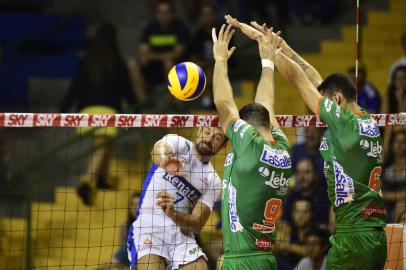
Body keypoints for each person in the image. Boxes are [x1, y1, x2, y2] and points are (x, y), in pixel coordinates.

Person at [252, 23, 387, 270]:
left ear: (336, 100)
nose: (319, 112)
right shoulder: (366, 119)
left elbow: (297, 79)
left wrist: (269, 53)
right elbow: (316, 80)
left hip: (353, 238)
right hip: (376, 237)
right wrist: (285, 48)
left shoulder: (345, 124)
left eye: (325, 103)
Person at [212, 24, 293, 269]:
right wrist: (267, 62)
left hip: (241, 261)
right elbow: (266, 106)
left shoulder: (249, 144)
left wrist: (219, 59)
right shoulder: (283, 147)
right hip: (266, 258)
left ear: (246, 129)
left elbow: (223, 103)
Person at [127, 127, 226, 270]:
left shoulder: (213, 180)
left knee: (199, 267)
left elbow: (197, 224)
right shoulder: (179, 143)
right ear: (199, 132)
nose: (209, 138)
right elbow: (157, 150)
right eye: (207, 132)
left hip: (181, 234)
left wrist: (173, 214)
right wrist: (166, 162)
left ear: (223, 146)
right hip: (150, 226)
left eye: (217, 138)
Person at [60, 24, 138, 206]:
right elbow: (127, 90)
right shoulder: (117, 62)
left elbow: (74, 89)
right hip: (108, 113)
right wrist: (138, 110)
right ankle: (87, 182)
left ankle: (102, 177)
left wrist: (62, 111)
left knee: (105, 145)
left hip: (86, 113)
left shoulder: (85, 61)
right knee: (101, 145)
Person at [137, 0, 189, 89]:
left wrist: (153, 56)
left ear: (172, 14)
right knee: (133, 64)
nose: (163, 16)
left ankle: (172, 99)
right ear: (156, 14)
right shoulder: (150, 28)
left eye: (166, 13)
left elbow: (177, 54)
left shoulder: (180, 28)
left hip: (176, 66)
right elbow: (143, 52)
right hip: (153, 66)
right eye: (160, 13)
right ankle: (144, 100)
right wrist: (162, 56)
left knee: (168, 63)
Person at [284, 158, 329, 226]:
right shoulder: (290, 197)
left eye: (307, 172)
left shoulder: (325, 197)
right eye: (299, 172)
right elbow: (286, 224)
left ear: (315, 174)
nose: (302, 177)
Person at [277, 199, 315, 270]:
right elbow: (278, 247)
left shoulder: (317, 232)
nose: (301, 216)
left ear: (311, 213)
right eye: (297, 211)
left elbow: (311, 252)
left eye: (305, 211)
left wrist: (287, 246)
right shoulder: (286, 230)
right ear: (292, 213)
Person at [109, 193, 139, 269]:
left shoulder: (149, 226)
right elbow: (122, 248)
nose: (135, 208)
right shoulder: (125, 226)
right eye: (133, 205)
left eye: (138, 205)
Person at [382, 129, 406, 222]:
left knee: (401, 205)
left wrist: (383, 195)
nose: (399, 145)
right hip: (385, 205)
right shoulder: (387, 167)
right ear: (392, 145)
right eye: (397, 142)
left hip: (401, 206)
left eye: (403, 142)